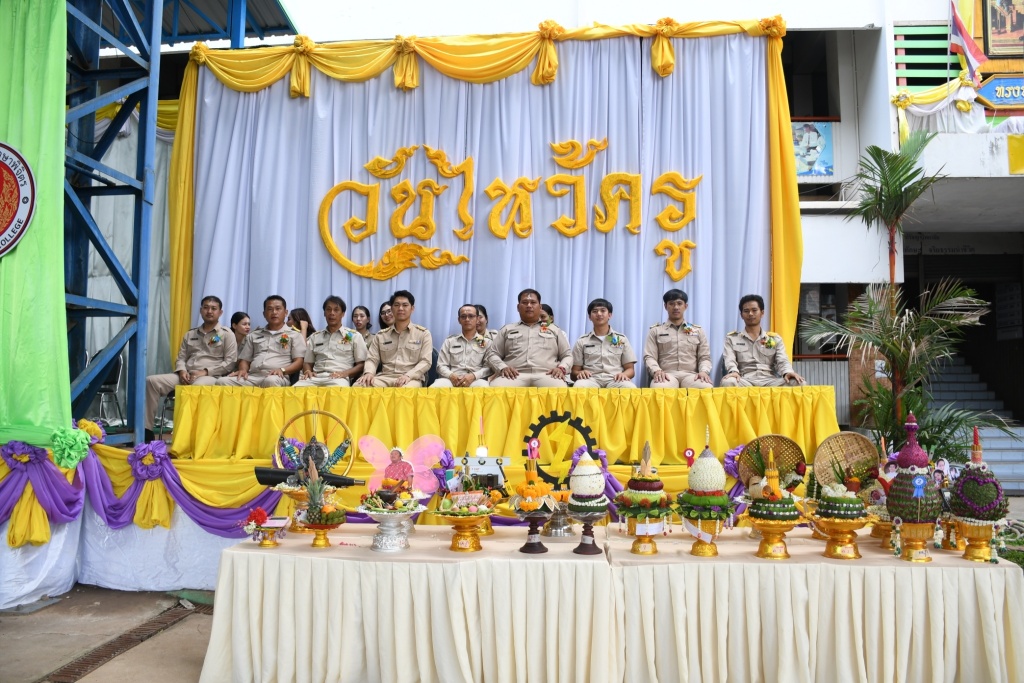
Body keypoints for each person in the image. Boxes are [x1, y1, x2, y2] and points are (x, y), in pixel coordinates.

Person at [144, 296, 236, 434]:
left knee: (196, 388)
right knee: (151, 381)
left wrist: (204, 372)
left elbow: (230, 363)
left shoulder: (226, 334)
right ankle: (146, 430)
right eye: (206, 307)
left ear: (220, 312)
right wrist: (181, 371)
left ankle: (186, 433)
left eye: (213, 308)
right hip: (186, 375)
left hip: (211, 377)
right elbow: (180, 358)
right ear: (201, 310)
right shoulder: (190, 334)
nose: (209, 311)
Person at [485, 288, 572, 388]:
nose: (529, 305)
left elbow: (567, 355)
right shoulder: (507, 329)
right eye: (525, 302)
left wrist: (561, 368)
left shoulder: (554, 330)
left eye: (533, 302)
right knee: (496, 389)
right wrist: (502, 368)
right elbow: (493, 354)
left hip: (547, 374)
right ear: (518, 307)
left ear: (540, 307)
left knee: (560, 390)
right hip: (513, 375)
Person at [218, 295, 307, 387]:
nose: (274, 312)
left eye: (278, 309)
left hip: (278, 376)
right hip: (253, 376)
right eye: (270, 309)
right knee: (222, 382)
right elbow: (245, 360)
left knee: (270, 381)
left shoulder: (295, 335)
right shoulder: (254, 335)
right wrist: (243, 370)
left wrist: (283, 370)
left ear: (285, 312)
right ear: (264, 314)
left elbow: (299, 362)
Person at [721, 294, 805, 387]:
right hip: (744, 380)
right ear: (741, 315)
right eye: (746, 311)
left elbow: (782, 360)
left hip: (770, 381)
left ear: (762, 313)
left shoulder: (774, 339)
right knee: (728, 382)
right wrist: (733, 371)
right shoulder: (732, 339)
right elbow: (729, 359)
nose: (750, 314)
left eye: (754, 310)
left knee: (799, 383)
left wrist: (787, 372)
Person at [357, 290, 433, 387]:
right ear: (392, 309)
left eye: (405, 305)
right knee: (359, 386)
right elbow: (372, 358)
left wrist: (408, 376)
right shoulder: (381, 335)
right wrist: (369, 373)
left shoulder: (423, 334)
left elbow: (426, 361)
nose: (400, 308)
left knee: (404, 391)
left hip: (410, 378)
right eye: (396, 305)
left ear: (412, 308)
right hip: (384, 377)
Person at [643, 289, 713, 388]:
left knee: (706, 388)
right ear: (665, 306)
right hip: (666, 375)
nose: (676, 307)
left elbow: (705, 357)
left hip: (692, 375)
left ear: (686, 306)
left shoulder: (697, 331)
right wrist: (656, 371)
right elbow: (649, 357)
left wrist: (703, 371)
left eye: (679, 303)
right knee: (659, 388)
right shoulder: (656, 331)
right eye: (671, 304)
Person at [294, 296, 367, 387]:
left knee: (337, 391)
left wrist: (345, 373)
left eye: (336, 310)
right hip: (315, 377)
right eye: (328, 309)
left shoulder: (354, 336)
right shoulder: (315, 337)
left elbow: (362, 364)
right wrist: (307, 371)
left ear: (343, 314)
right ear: (324, 313)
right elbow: (307, 362)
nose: (332, 313)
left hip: (338, 378)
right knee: (294, 390)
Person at [571, 298, 636, 388]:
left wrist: (624, 374)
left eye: (603, 310)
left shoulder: (619, 339)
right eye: (595, 311)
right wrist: (580, 373)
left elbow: (630, 369)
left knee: (630, 388)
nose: (599, 314)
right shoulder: (582, 341)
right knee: (579, 386)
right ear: (589, 317)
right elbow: (574, 372)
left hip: (615, 379)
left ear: (609, 315)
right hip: (590, 379)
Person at [431, 304, 492, 387]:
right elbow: (440, 366)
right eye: (463, 316)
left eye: (471, 316)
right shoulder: (450, 341)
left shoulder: (485, 342)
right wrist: (452, 376)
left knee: (483, 387)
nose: (467, 319)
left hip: (475, 379)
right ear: (459, 320)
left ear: (477, 319)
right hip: (451, 379)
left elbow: (488, 367)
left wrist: (473, 376)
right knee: (436, 387)